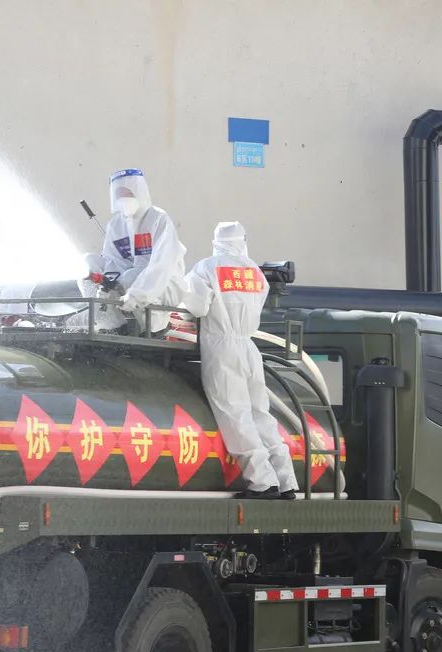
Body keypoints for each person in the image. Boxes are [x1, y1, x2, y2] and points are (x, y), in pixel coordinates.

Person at [182, 222, 299, 500]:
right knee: (260, 414)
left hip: (222, 347)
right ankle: (286, 481)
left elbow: (197, 307)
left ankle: (262, 481)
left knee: (234, 413)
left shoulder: (206, 267)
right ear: (242, 241)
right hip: (248, 346)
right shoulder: (255, 272)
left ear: (216, 241)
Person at [100, 168, 188, 333]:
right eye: (119, 195)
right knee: (90, 263)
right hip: (130, 284)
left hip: (165, 284)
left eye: (127, 193)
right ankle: (114, 325)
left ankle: (154, 329)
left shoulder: (158, 218)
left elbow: (162, 264)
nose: (123, 199)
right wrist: (106, 284)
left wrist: (137, 294)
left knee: (130, 276)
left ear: (139, 192)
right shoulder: (115, 225)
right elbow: (112, 261)